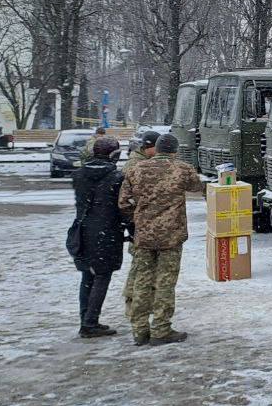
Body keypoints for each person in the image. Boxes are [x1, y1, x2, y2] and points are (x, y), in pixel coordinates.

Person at [118, 133, 202, 347]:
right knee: (165, 282)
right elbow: (197, 187)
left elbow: (124, 202)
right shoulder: (181, 169)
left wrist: (140, 215)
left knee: (141, 281)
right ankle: (161, 328)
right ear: (174, 150)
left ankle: (139, 330)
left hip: (144, 235)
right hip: (171, 235)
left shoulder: (136, 169)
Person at [68, 136, 128, 338]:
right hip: (107, 234)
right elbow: (122, 209)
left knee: (87, 276)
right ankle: (90, 322)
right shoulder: (117, 177)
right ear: (114, 155)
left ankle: (85, 318)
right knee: (102, 277)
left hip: (82, 232)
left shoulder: (79, 175)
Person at [120, 130, 160, 317]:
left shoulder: (142, 161)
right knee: (140, 267)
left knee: (145, 266)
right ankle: (132, 304)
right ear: (149, 147)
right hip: (140, 226)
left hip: (145, 225)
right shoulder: (136, 165)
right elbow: (128, 199)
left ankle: (142, 302)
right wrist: (137, 219)